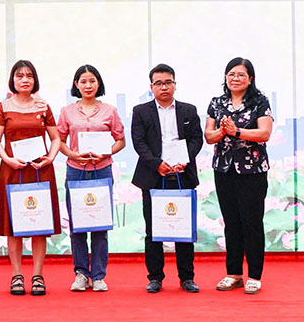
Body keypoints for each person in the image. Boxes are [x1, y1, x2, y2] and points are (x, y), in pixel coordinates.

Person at [0, 59, 61, 296]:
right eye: (19, 76)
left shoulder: (43, 106)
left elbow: (56, 138)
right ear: (13, 80)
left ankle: (38, 275)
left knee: (39, 224)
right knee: (14, 224)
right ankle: (17, 275)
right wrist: (7, 159)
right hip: (12, 169)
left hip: (39, 169)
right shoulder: (4, 106)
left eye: (29, 76)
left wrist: (50, 157)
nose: (24, 80)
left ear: (35, 80)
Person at [130, 63, 203, 294]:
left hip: (183, 173)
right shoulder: (141, 111)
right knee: (153, 229)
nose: (164, 87)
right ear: (151, 87)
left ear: (175, 84)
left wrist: (185, 159)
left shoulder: (188, 110)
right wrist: (156, 164)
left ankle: (187, 277)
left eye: (168, 82)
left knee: (183, 228)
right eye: (159, 83)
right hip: (153, 176)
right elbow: (139, 142)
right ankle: (155, 277)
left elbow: (196, 140)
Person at [204, 57, 273, 295]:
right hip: (223, 170)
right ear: (225, 77)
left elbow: (264, 133)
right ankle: (233, 273)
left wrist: (238, 131)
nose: (235, 78)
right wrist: (223, 130)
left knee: (251, 223)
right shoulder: (217, 103)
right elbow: (209, 136)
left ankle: (254, 275)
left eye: (241, 75)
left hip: (252, 171)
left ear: (250, 79)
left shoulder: (259, 102)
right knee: (231, 223)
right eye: (231, 74)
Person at [57, 65, 126, 292]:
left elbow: (120, 140)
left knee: (99, 224)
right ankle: (80, 273)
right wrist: (73, 154)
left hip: (102, 169)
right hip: (76, 170)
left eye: (92, 81)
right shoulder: (67, 111)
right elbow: (60, 141)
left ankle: (98, 275)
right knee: (77, 225)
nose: (88, 85)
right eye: (83, 81)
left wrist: (106, 152)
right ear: (76, 84)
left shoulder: (110, 110)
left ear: (99, 84)